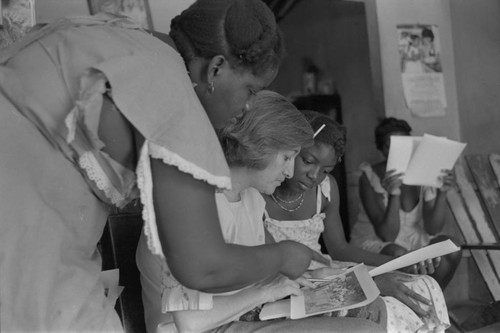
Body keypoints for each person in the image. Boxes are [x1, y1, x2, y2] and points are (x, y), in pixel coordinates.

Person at [0, 1, 323, 331]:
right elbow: (204, 267)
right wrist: (285, 256)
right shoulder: (176, 101)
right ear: (216, 69)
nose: (248, 106)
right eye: (250, 90)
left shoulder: (109, 37)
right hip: (23, 248)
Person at [137, 90, 384, 333]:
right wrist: (266, 291)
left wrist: (315, 277)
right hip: (200, 328)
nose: (289, 172)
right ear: (261, 146)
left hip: (243, 316)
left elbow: (267, 271)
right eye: (287, 157)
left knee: (373, 309)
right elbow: (191, 324)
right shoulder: (192, 202)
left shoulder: (251, 199)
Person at [263, 111, 451, 332]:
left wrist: (401, 261)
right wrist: (365, 283)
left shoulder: (326, 189)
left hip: (324, 271)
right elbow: (272, 269)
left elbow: (340, 248)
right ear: (291, 150)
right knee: (384, 305)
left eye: (326, 170)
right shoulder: (260, 190)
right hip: (293, 282)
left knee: (419, 284)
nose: (315, 175)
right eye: (307, 161)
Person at [350, 117, 462, 290]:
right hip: (377, 240)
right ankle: (411, 303)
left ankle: (430, 300)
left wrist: (442, 192)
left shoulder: (422, 171)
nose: (396, 150)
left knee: (451, 246)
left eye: (402, 144)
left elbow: (433, 229)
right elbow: (387, 235)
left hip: (415, 238)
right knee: (399, 254)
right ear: (381, 148)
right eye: (389, 145)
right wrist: (394, 194)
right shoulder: (369, 176)